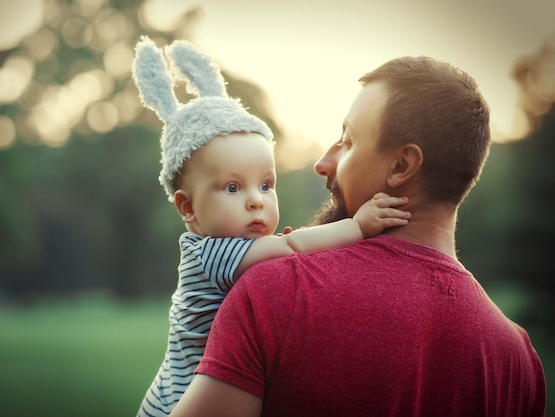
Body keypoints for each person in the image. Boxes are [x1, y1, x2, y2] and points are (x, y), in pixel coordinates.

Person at [168, 56, 547, 417]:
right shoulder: (518, 361)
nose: (323, 163)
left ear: (401, 166)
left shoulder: (276, 291)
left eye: (347, 142)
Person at [131, 37, 411, 417]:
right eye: (232, 187)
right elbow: (293, 247)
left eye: (265, 185)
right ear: (188, 208)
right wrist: (358, 226)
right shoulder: (211, 252)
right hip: (178, 399)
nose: (255, 200)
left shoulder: (231, 247)